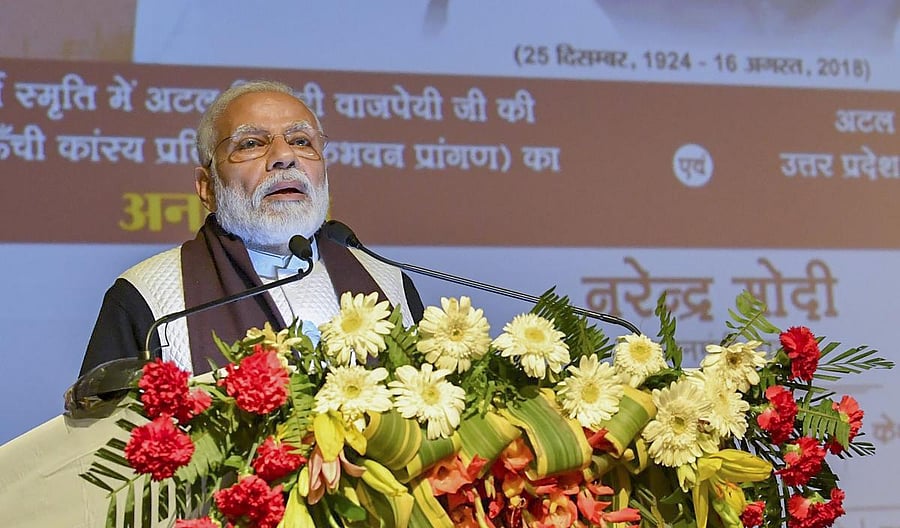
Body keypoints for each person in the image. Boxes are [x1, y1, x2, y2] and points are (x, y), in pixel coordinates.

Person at [80, 80, 424, 376]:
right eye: (251, 143)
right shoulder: (147, 298)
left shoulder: (388, 282)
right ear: (207, 187)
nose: (284, 157)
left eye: (302, 141)